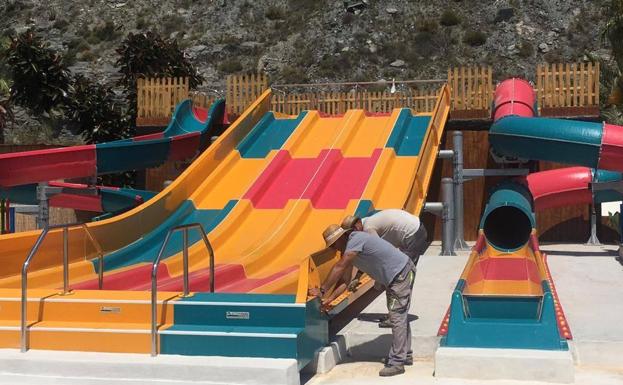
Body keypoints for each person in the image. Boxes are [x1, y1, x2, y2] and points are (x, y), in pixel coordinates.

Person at [309, 224, 416, 377]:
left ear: (341, 238)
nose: (334, 249)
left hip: (400, 274)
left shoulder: (355, 240)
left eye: (334, 245)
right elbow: (345, 282)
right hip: (398, 274)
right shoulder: (350, 250)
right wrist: (329, 299)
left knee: (397, 316)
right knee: (400, 314)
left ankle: (397, 362)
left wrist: (321, 290)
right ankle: (405, 355)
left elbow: (339, 267)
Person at [341, 210, 427, 327]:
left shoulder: (367, 229)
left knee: (398, 277)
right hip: (415, 229)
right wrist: (358, 277)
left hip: (412, 235)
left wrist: (375, 278)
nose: (352, 236)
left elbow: (377, 254)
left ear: (357, 225)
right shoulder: (368, 223)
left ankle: (396, 317)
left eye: (352, 233)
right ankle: (396, 315)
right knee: (397, 277)